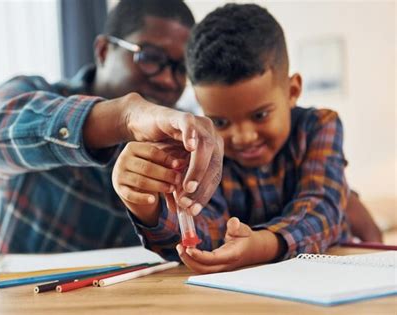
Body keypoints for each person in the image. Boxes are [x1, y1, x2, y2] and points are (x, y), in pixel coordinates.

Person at [112, 3, 382, 274]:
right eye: (219, 121)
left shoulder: (319, 127)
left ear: (292, 91)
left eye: (260, 115)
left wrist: (264, 244)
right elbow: (204, 235)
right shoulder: (201, 150)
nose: (242, 137)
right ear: (200, 104)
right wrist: (148, 208)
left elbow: (322, 208)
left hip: (333, 275)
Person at [0, 0, 223, 253]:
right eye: (150, 57)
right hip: (32, 293)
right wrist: (122, 117)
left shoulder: (180, 137)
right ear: (103, 51)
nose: (167, 80)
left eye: (181, 69)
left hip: (139, 294)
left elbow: (203, 234)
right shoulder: (33, 95)